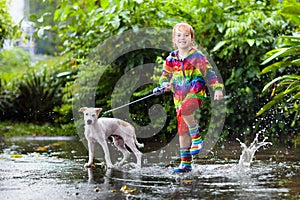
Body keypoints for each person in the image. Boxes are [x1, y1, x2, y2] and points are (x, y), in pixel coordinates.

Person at [154, 22, 224, 173]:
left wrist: (217, 88)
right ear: (174, 39)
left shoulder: (197, 56)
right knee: (181, 130)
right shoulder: (171, 58)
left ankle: (197, 137)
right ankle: (185, 164)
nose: (182, 38)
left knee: (186, 110)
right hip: (178, 96)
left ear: (192, 39)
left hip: (196, 91)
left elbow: (210, 74)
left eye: (186, 35)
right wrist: (164, 84)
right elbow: (164, 76)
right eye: (179, 35)